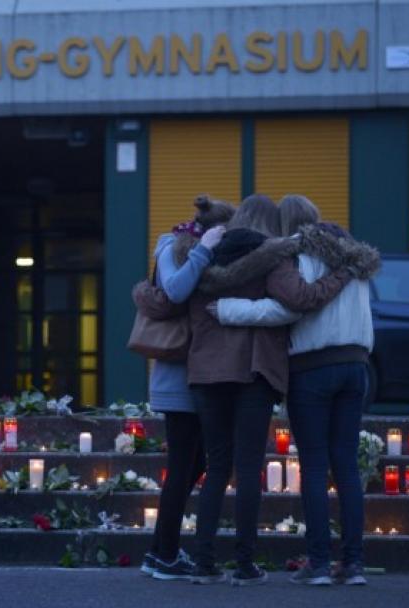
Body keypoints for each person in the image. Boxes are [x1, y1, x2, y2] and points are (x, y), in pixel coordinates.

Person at [208, 195, 379, 586]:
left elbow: (287, 310)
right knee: (348, 467)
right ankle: (353, 565)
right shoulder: (355, 259)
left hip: (312, 371)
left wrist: (228, 310)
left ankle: (318, 563)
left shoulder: (295, 256)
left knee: (316, 467)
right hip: (356, 367)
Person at [133, 195, 234, 580]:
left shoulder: (201, 252)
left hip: (195, 377)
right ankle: (167, 555)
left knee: (195, 464)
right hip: (178, 379)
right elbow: (174, 290)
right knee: (182, 467)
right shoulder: (174, 245)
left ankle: (158, 550)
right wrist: (203, 252)